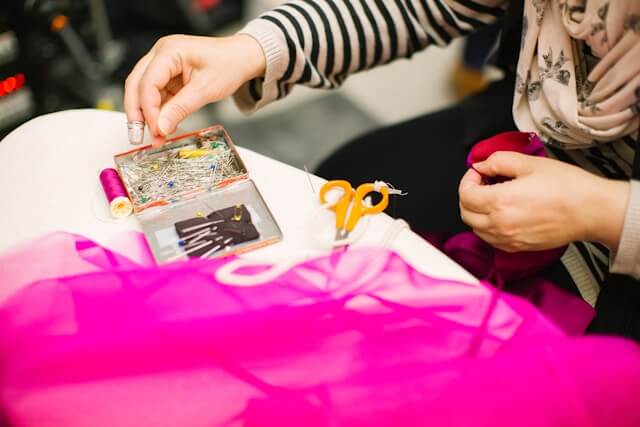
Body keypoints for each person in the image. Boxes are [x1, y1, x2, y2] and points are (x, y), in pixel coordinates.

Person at [124, 1, 640, 337]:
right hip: (520, 136)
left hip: (621, 243)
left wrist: (605, 211)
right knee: (338, 185)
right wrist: (252, 49)